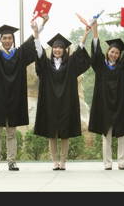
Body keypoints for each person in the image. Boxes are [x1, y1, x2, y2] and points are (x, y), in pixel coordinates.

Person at [0, 6, 48, 171]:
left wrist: (42, 23)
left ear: (13, 40)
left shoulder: (19, 55)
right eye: (4, 38)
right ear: (1, 40)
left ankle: (12, 161)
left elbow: (33, 40)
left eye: (10, 38)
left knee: (11, 132)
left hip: (14, 98)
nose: (7, 40)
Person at [34, 26, 91, 170]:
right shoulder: (46, 65)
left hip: (66, 103)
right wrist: (36, 34)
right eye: (55, 47)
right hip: (50, 104)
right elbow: (39, 54)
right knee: (51, 134)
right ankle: (54, 161)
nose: (57, 50)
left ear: (64, 50)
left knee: (65, 134)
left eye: (60, 47)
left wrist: (85, 34)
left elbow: (79, 52)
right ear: (52, 50)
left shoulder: (70, 64)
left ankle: (63, 162)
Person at [88, 23, 124, 170]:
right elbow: (95, 52)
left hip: (121, 105)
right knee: (106, 135)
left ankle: (122, 163)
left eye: (117, 53)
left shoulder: (123, 67)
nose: (114, 54)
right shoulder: (100, 66)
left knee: (122, 135)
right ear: (108, 51)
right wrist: (95, 31)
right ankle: (107, 163)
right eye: (112, 52)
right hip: (105, 105)